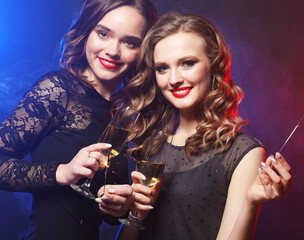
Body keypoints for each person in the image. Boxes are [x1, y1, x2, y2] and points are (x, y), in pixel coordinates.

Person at [0, 0, 157, 239]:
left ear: (142, 51)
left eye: (130, 42)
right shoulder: (58, 90)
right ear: (86, 33)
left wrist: (119, 207)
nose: (113, 50)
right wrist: (62, 172)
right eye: (103, 34)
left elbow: (107, 217)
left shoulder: (121, 114)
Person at [114, 12, 292, 240]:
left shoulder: (243, 153)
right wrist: (137, 214)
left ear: (214, 64)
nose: (174, 79)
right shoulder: (151, 145)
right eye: (162, 68)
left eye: (187, 63)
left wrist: (251, 202)